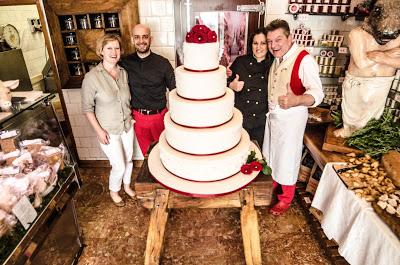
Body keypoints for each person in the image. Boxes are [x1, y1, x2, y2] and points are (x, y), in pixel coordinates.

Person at [262, 19, 324, 215]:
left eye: (278, 40)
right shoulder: (278, 58)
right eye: (270, 41)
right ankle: (272, 186)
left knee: (287, 158)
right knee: (272, 154)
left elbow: (318, 93)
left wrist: (297, 100)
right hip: (274, 117)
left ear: (290, 38)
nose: (273, 46)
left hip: (291, 119)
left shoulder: (304, 59)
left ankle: (286, 199)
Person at [82, 34, 135, 207]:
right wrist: (99, 131)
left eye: (117, 48)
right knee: (118, 165)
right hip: (108, 131)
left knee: (129, 160)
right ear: (101, 52)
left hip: (127, 126)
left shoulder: (123, 73)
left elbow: (126, 99)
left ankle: (127, 186)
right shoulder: (91, 77)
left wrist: (131, 118)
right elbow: (87, 109)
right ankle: (114, 190)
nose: (114, 52)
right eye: (109, 48)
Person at [333, 0, 400, 138]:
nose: (386, 41)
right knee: (352, 111)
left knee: (374, 114)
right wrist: (387, 55)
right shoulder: (357, 34)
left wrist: (382, 58)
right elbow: (361, 63)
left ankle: (367, 134)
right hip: (357, 82)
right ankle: (348, 129)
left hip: (383, 83)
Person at [120, 24, 176, 155]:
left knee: (164, 153)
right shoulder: (125, 63)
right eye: (137, 37)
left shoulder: (163, 63)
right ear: (132, 40)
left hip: (160, 117)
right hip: (138, 118)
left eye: (145, 37)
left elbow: (175, 89)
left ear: (151, 39)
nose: (141, 41)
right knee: (147, 155)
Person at [227, 27, 271, 147]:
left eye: (263, 43)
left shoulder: (273, 65)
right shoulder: (240, 62)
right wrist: (232, 85)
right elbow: (224, 83)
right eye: (255, 43)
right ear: (251, 45)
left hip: (261, 123)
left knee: (257, 159)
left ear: (268, 45)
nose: (258, 47)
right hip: (241, 120)